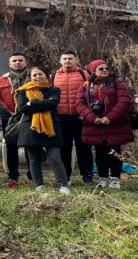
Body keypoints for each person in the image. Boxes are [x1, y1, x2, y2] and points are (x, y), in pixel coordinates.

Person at [76, 60, 134, 189]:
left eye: (106, 68)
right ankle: (103, 177)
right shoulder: (86, 86)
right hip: (95, 124)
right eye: (100, 69)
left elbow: (124, 101)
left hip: (114, 123)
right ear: (93, 71)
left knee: (114, 152)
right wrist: (92, 117)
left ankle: (115, 179)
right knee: (100, 152)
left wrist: (110, 117)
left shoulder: (117, 83)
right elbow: (80, 104)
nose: (104, 70)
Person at [16, 66, 70, 194]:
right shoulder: (23, 91)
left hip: (51, 127)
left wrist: (33, 103)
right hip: (30, 127)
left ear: (46, 75)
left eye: (40, 74)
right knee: (34, 159)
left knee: (55, 157)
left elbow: (53, 104)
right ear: (30, 77)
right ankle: (39, 185)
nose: (37, 77)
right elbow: (22, 108)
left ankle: (63, 185)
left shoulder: (54, 90)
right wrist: (44, 103)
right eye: (34, 75)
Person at [52, 50, 94, 185]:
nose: (67, 61)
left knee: (84, 147)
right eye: (64, 59)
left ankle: (87, 175)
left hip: (80, 117)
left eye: (70, 58)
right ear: (60, 61)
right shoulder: (54, 76)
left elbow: (92, 92)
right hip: (61, 117)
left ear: (76, 60)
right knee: (64, 148)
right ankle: (66, 177)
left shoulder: (84, 74)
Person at [0, 52, 28, 185]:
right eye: (14, 61)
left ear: (26, 63)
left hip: (29, 116)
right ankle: (13, 176)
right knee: (10, 146)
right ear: (9, 64)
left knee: (30, 145)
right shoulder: (2, 79)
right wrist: (9, 113)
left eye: (20, 60)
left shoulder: (33, 77)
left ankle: (32, 175)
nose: (17, 63)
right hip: (9, 118)